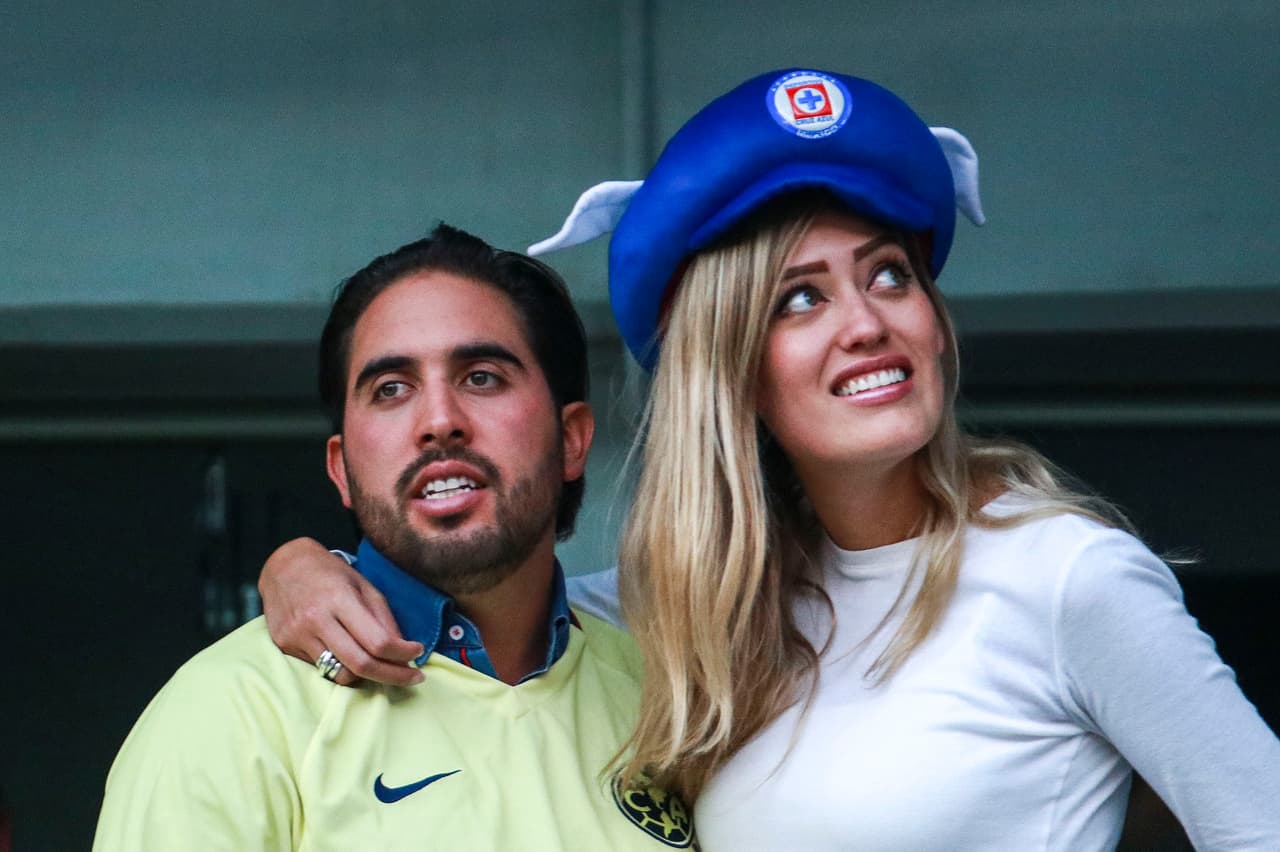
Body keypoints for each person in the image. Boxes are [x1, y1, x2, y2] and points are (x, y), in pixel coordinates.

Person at [257, 70, 1280, 849]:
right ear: (730, 371)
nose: (866, 324)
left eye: (887, 276)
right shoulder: (693, 604)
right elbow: (495, 594)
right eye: (800, 298)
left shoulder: (1066, 578)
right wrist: (305, 568)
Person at [93, 224, 697, 851]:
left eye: (482, 377)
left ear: (571, 438)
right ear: (342, 470)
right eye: (391, 389)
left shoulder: (671, 700)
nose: (439, 422)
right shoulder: (228, 713)